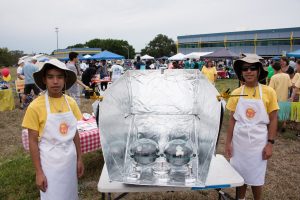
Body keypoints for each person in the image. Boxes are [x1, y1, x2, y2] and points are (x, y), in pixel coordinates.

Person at [22, 59, 84, 199]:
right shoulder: (35, 106)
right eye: (50, 77)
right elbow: (32, 141)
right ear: (44, 79)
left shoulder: (71, 102)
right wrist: (39, 172)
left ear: (65, 79)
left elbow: (75, 133)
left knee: (70, 195)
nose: (55, 81)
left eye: (59, 77)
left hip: (70, 159)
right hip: (50, 163)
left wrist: (79, 159)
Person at [225, 56, 279, 200]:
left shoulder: (269, 92)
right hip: (239, 141)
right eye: (245, 69)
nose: (249, 71)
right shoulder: (236, 93)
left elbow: (273, 119)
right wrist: (228, 143)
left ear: (259, 71)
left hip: (258, 141)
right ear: (241, 72)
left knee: (256, 176)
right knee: (239, 174)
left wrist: (270, 144)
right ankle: (240, 198)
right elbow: (232, 120)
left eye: (252, 68)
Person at [269, 62, 292, 132]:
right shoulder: (287, 76)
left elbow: (271, 89)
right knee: (284, 112)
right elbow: (290, 86)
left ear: (274, 69)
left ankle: (275, 127)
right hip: (285, 97)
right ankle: (284, 125)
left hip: (276, 99)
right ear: (281, 67)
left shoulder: (273, 77)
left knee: (275, 115)